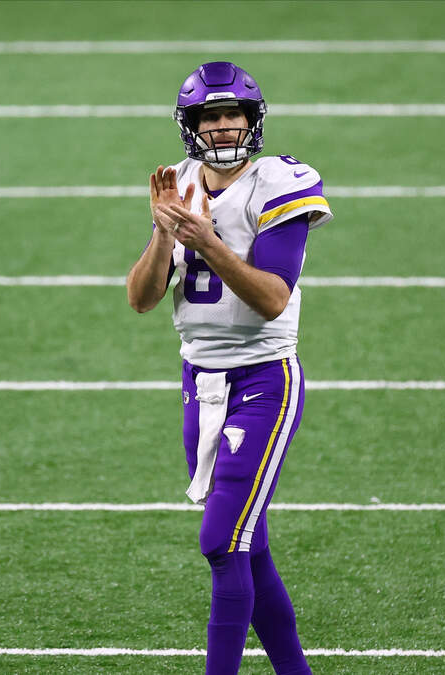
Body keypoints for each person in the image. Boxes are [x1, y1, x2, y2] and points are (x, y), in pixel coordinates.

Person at [126, 61, 332, 675]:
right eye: (209, 116)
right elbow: (141, 298)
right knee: (249, 547)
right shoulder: (181, 183)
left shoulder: (279, 182)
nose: (221, 126)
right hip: (200, 382)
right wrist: (164, 234)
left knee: (220, 541)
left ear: (252, 119)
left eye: (231, 114)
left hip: (264, 378)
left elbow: (272, 299)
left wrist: (208, 241)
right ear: (191, 126)